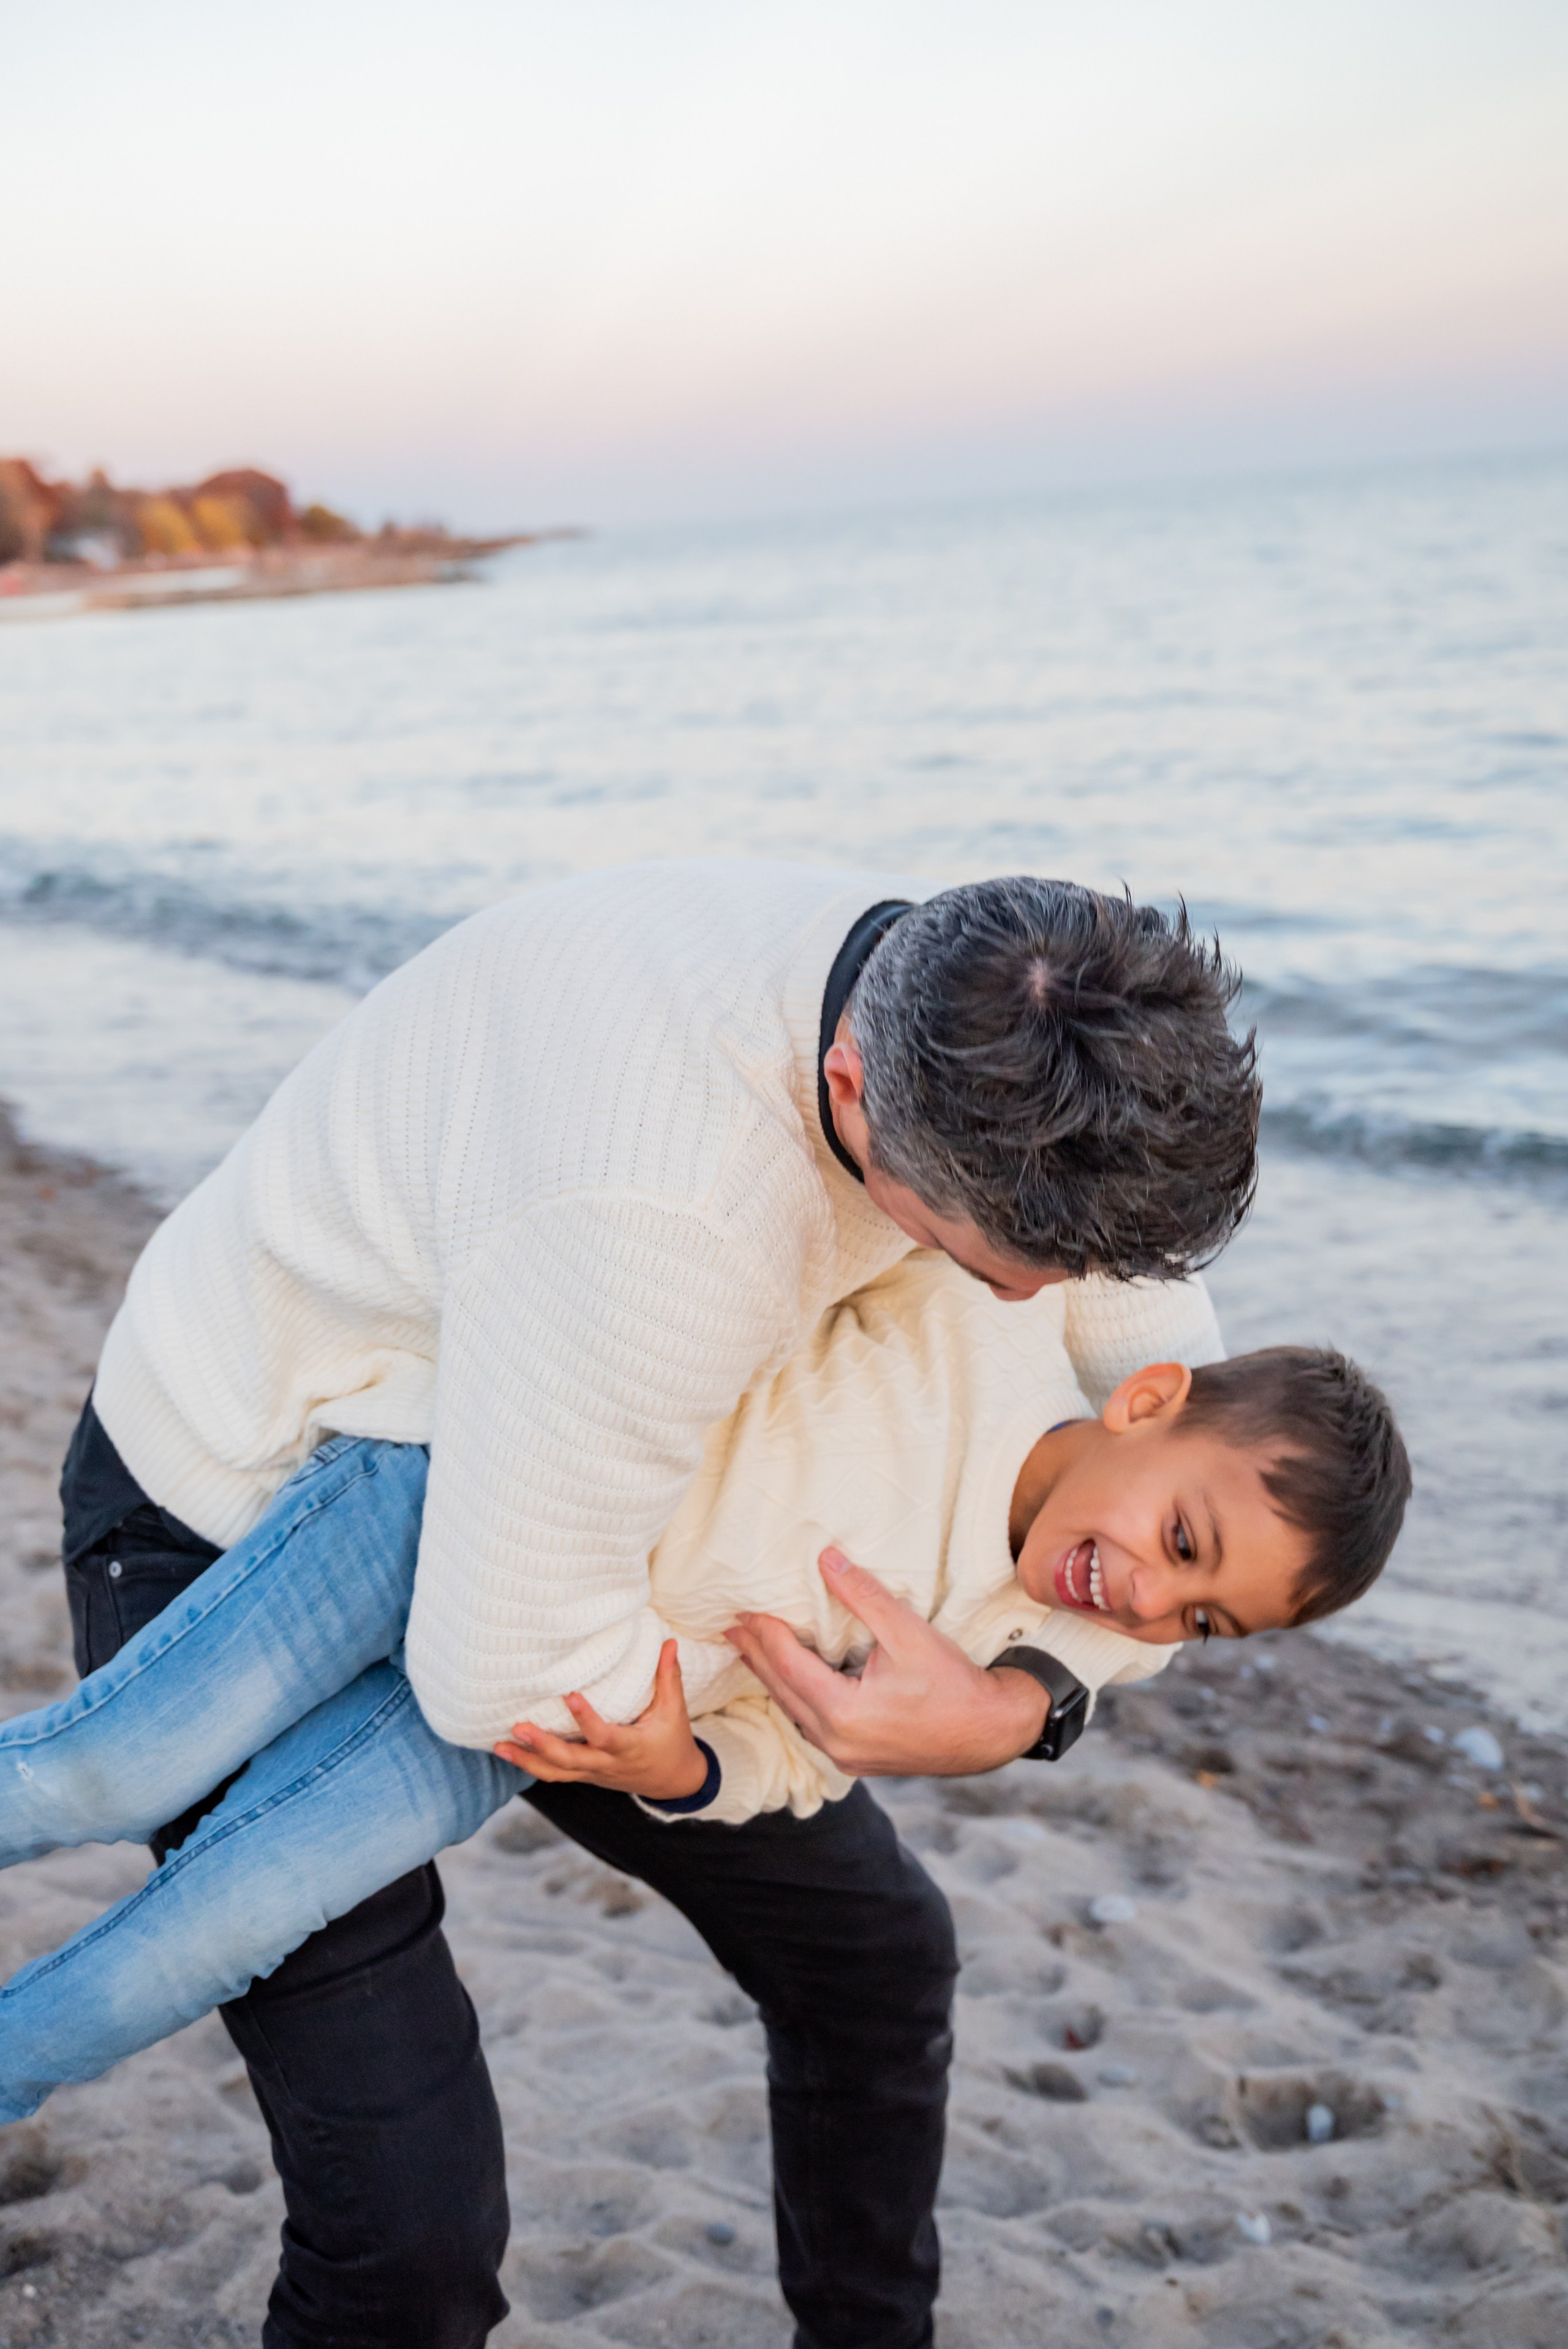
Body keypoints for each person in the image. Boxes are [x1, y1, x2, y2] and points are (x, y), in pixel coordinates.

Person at [55, 860, 1261, 2348]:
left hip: (588, 1499)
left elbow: (1171, 1391)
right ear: (849, 1082)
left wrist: (1024, 1694)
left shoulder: (998, 997)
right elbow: (500, 1672)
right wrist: (713, 1764)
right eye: (982, 1266)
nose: (1026, 1308)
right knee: (410, 2239)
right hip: (246, 1507)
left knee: (875, 1959)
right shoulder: (669, 1225)